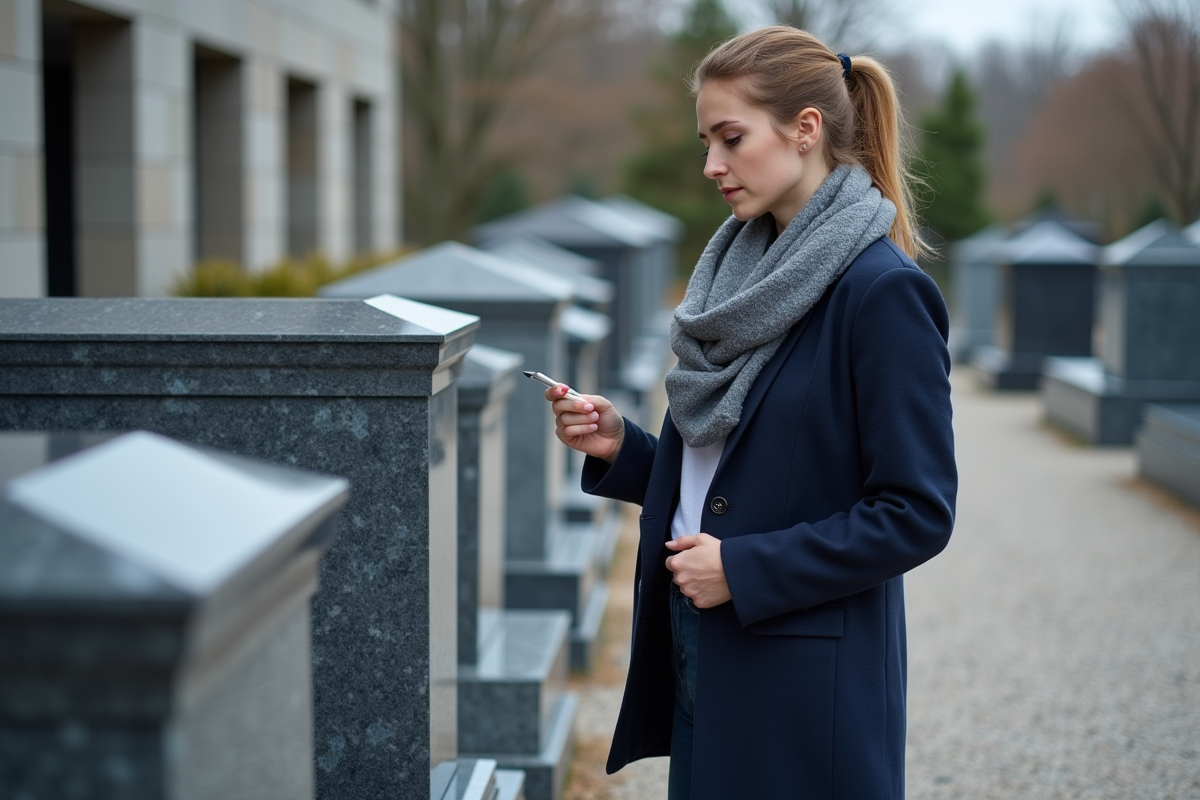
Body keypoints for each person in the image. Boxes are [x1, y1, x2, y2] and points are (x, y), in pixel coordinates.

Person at [543, 26, 957, 800]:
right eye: (706, 142)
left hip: (801, 678)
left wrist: (744, 568)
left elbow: (917, 512)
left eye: (731, 138)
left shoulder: (881, 292)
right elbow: (730, 472)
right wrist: (622, 448)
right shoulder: (737, 274)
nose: (712, 165)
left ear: (806, 129)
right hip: (700, 639)